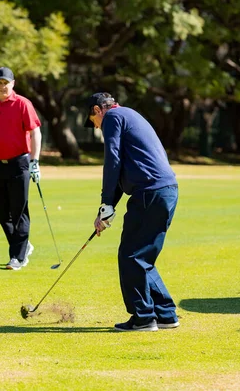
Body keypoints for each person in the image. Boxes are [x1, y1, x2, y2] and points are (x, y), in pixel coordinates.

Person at [86, 92, 179, 332]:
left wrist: (106, 204)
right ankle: (166, 314)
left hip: (149, 192)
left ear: (98, 110)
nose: (96, 127)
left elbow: (113, 160)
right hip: (165, 191)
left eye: (93, 120)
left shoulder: (112, 118)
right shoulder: (129, 114)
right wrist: (107, 208)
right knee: (142, 257)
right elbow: (121, 171)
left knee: (130, 255)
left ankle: (144, 317)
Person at [0, 67, 42, 271]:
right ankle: (22, 245)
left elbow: (35, 133)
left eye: (6, 83)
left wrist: (35, 161)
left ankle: (18, 256)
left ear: (13, 84)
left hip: (20, 163)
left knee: (19, 210)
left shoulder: (23, 104)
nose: (2, 86)